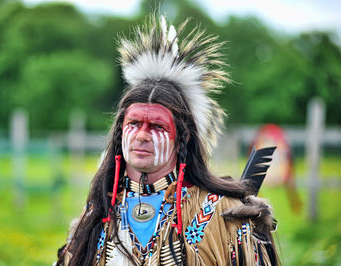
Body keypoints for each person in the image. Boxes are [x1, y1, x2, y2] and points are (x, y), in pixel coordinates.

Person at [56, 14, 278, 266]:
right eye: (134, 123)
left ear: (181, 138)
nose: (142, 135)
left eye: (157, 126)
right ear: (120, 132)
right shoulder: (98, 214)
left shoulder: (223, 214)